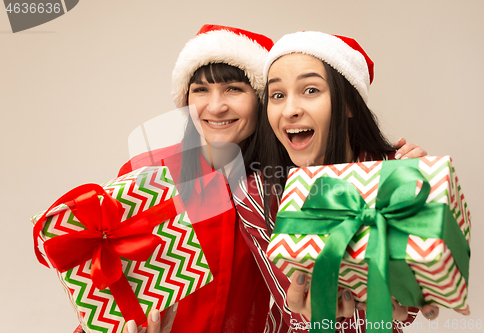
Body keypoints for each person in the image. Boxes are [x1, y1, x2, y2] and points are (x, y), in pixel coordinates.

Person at [74, 25, 426, 333]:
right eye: (200, 90)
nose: (215, 106)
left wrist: (406, 186)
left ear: (259, 104)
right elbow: (84, 257)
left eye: (233, 89)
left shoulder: (279, 185)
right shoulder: (151, 174)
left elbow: (399, 308)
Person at [233, 31, 446, 333]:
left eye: (310, 90)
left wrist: (420, 188)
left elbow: (410, 308)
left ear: (348, 105)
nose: (290, 109)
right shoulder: (257, 196)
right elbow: (294, 311)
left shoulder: (395, 174)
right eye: (277, 95)